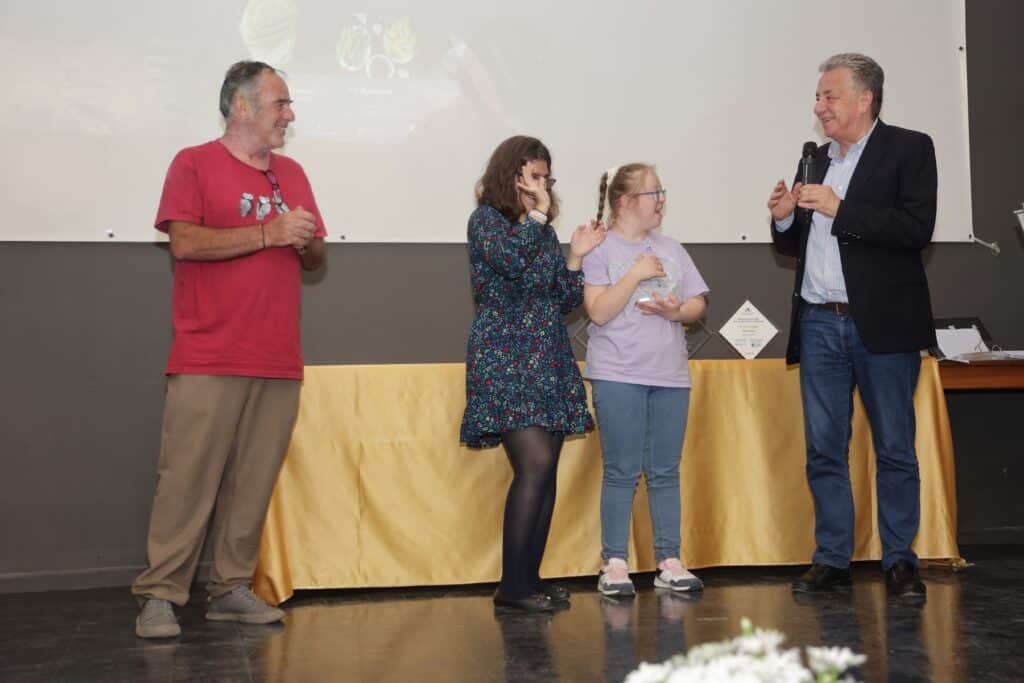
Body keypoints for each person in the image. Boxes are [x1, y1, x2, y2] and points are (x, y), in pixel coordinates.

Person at [132, 60, 327, 638]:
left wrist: (305, 240)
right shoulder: (193, 163)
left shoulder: (292, 173)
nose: (289, 115)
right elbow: (184, 242)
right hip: (209, 354)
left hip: (278, 355)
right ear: (242, 106)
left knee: (253, 482)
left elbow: (316, 257)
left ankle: (230, 588)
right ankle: (160, 594)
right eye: (279, 104)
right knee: (185, 481)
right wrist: (269, 232)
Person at [767, 53, 936, 598]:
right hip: (819, 321)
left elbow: (915, 228)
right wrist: (784, 219)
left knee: (894, 447)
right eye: (818, 97)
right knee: (824, 447)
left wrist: (841, 208)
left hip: (881, 324)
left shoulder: (909, 148)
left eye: (829, 96)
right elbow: (796, 245)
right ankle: (832, 560)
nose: (819, 107)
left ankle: (900, 560)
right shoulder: (814, 159)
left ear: (865, 99)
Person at [460, 135, 605, 612]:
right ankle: (512, 588)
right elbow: (508, 262)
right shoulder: (486, 221)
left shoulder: (539, 231)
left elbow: (563, 300)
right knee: (535, 465)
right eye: (534, 176)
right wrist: (540, 219)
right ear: (512, 176)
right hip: (505, 354)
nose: (544, 185)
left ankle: (528, 579)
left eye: (547, 177)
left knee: (545, 473)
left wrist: (576, 256)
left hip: (548, 357)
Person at [582, 163, 709, 597]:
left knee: (665, 471)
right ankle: (614, 562)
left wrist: (678, 311)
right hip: (618, 373)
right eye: (654, 193)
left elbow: (697, 303)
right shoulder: (600, 248)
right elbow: (598, 312)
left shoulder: (672, 248)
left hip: (670, 374)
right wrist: (635, 274)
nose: (661, 201)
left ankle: (669, 560)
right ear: (624, 202)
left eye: (661, 192)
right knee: (621, 470)